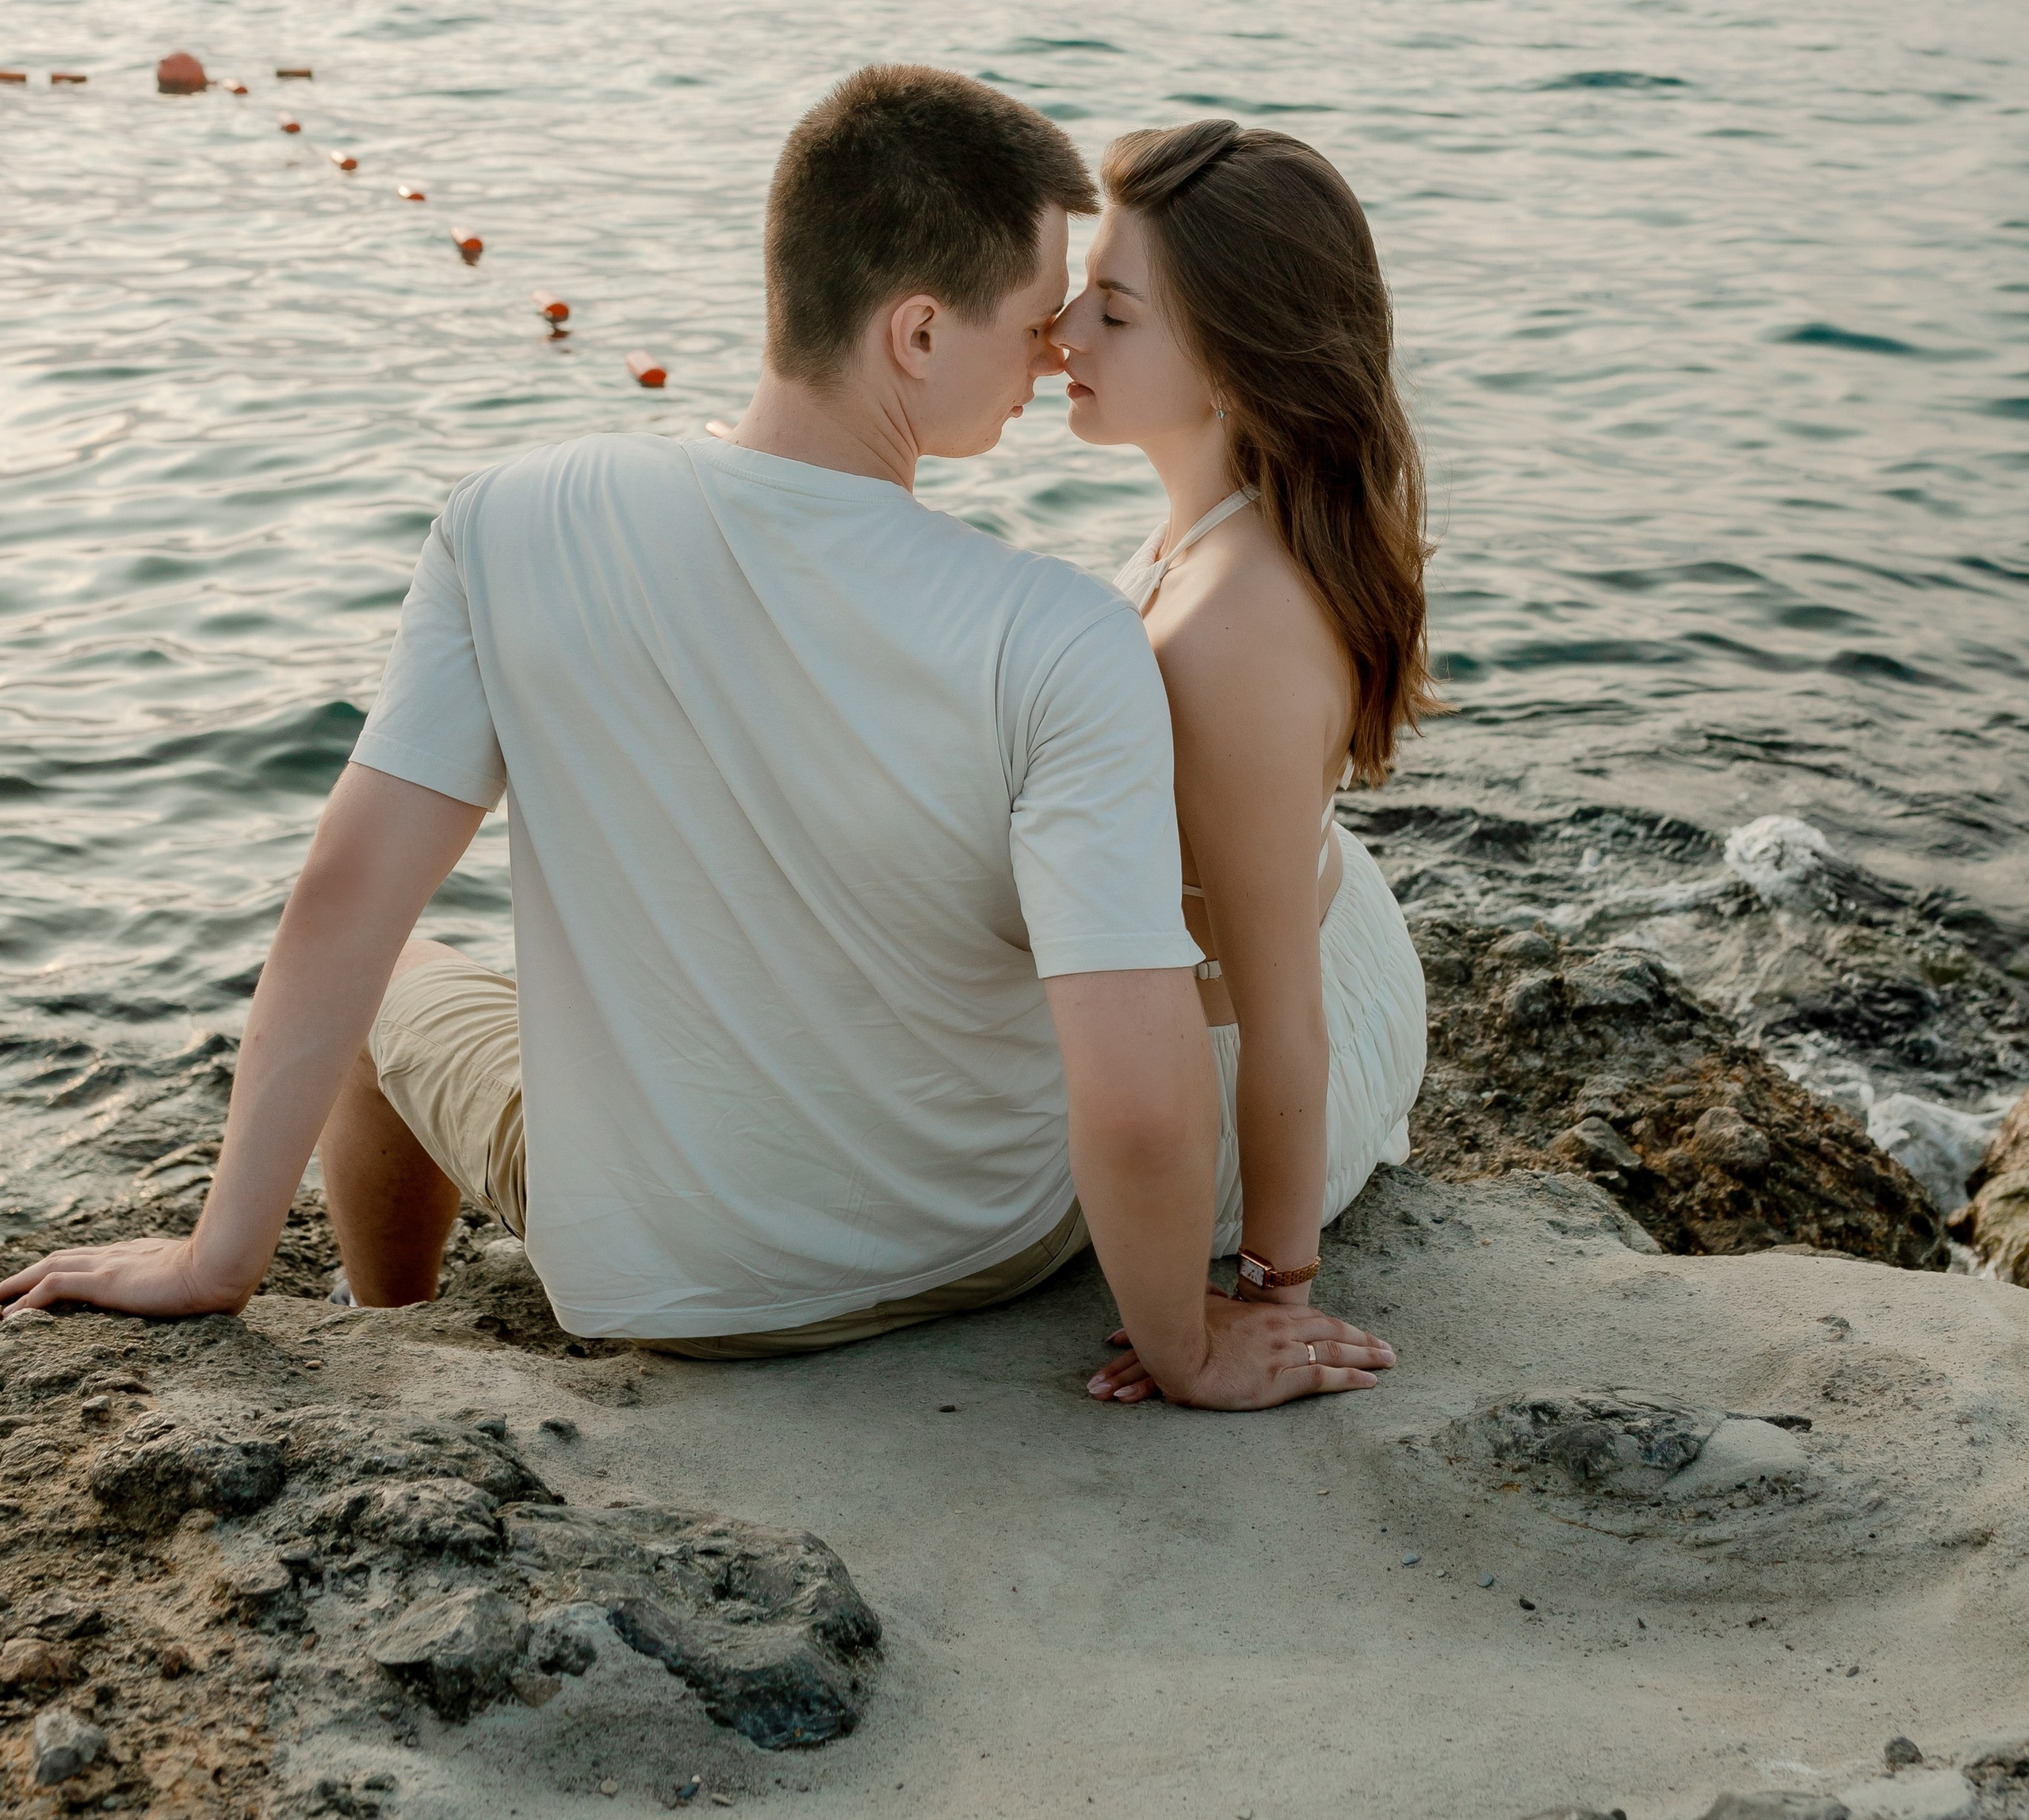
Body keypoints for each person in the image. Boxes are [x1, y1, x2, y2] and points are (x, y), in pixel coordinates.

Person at [2, 68, 1394, 1409]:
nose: (1054, 348)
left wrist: (212, 1254)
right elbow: (1138, 1100)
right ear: (916, 334)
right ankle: (402, 1339)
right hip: (981, 1241)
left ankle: (397, 1344)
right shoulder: (1058, 633)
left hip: (667, 1286)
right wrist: (1191, 1350)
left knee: (392, 966)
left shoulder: (508, 522)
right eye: (1038, 313)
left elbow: (343, 895)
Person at [1053, 117, 1435, 1405]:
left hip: (1260, 1047)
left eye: (1113, 311)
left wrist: (1272, 1298)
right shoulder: (1206, 526)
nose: (1061, 332)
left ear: (1232, 363)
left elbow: (1284, 1022)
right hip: (1301, 922)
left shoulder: (1238, 629)